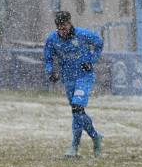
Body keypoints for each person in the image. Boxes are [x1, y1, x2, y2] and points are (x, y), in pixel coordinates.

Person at [43, 10, 104, 158]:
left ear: (70, 24)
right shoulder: (52, 39)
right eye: (59, 29)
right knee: (78, 112)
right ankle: (95, 136)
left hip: (84, 77)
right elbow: (48, 58)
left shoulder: (82, 35)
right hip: (68, 80)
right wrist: (50, 71)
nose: (62, 31)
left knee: (77, 106)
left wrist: (92, 60)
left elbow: (99, 43)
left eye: (64, 27)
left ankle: (74, 146)